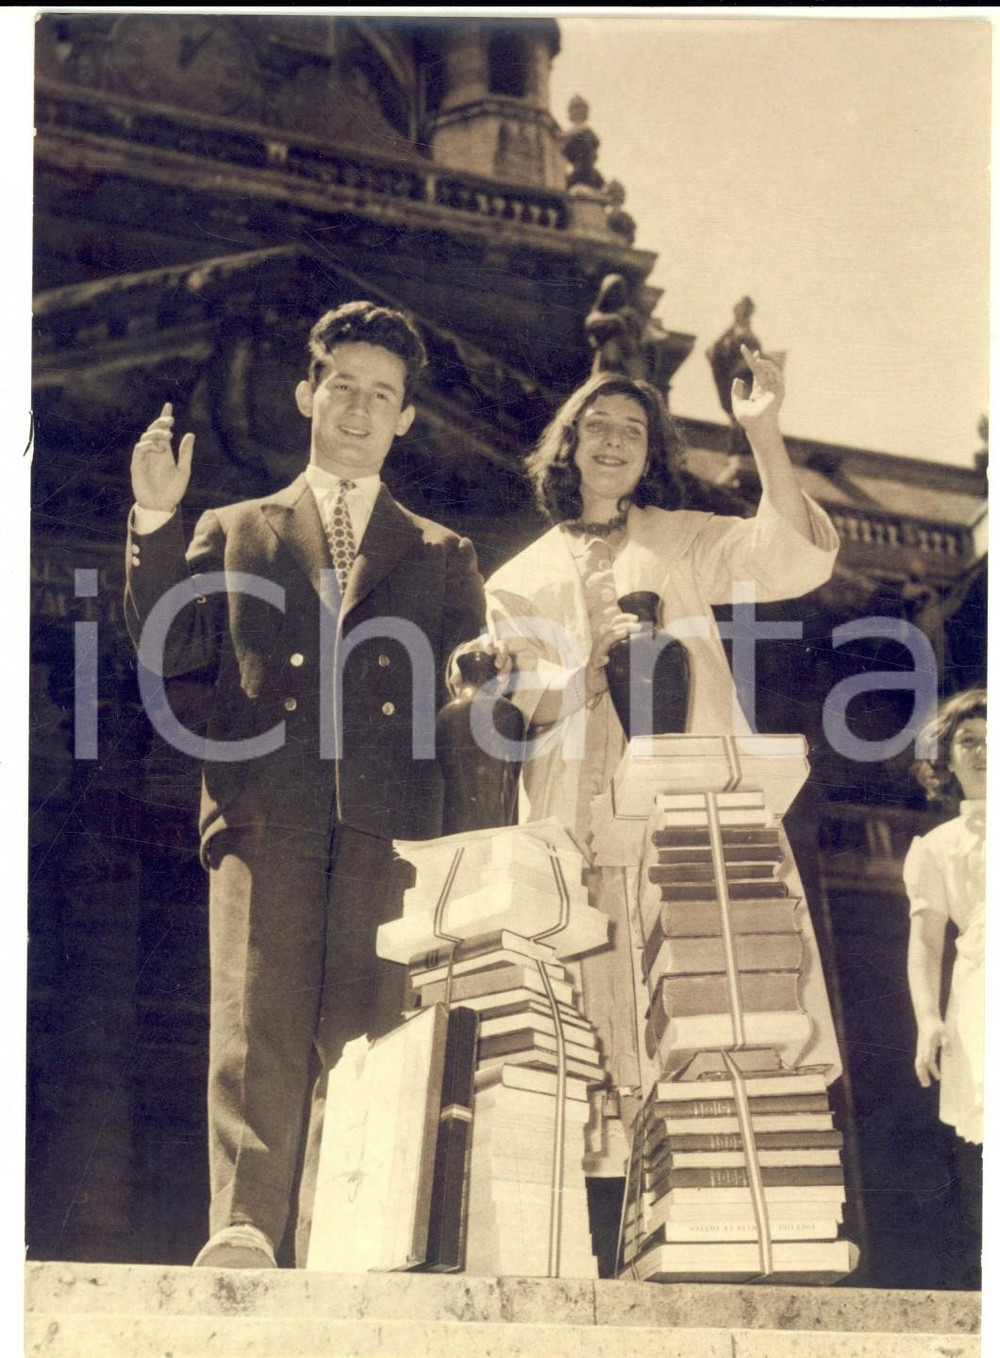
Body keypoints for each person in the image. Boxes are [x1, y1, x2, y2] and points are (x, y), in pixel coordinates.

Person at [125, 301, 486, 1268]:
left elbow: (464, 709)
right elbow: (170, 655)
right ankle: (243, 1228)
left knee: (376, 1027)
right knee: (256, 1018)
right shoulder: (233, 527)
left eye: (385, 396)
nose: (362, 412)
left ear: (406, 416)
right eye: (344, 389)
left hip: (395, 823)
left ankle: (354, 1239)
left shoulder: (446, 555)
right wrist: (156, 519)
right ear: (307, 394)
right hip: (263, 806)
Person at [478, 346, 842, 1096]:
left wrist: (763, 429)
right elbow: (504, 716)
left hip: (688, 795)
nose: (613, 441)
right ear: (569, 446)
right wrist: (587, 670)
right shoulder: (516, 580)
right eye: (597, 426)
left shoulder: (681, 540)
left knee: (709, 989)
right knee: (590, 1014)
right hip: (574, 800)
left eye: (633, 431)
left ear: (649, 455)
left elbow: (788, 558)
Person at [904, 689, 986, 1143]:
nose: (983, 751)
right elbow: (927, 942)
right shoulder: (937, 847)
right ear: (947, 760)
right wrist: (928, 1019)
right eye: (968, 740)